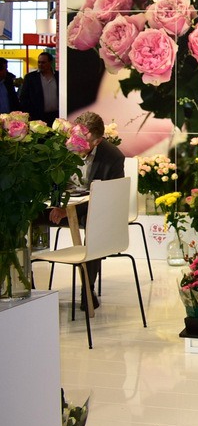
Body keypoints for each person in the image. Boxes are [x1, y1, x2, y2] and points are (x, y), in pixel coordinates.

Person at [45, 111, 125, 310]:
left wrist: (70, 211)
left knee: (95, 225)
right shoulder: (61, 146)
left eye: (85, 141)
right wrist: (59, 205)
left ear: (97, 141)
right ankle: (30, 288)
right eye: (76, 137)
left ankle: (87, 290)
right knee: (28, 215)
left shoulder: (113, 157)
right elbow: (52, 179)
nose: (77, 144)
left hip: (90, 208)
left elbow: (108, 198)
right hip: (61, 204)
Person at [19, 51, 59, 125]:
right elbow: (24, 98)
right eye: (39, 62)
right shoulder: (30, 78)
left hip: (56, 116)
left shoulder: (58, 76)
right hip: (37, 117)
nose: (40, 65)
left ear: (50, 63)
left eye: (43, 62)